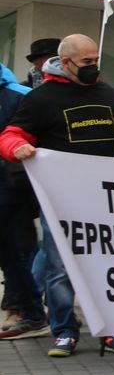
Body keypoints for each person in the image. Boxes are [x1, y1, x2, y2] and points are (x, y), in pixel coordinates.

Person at [0, 34, 114, 357]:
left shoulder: (108, 94)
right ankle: (64, 332)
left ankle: (111, 330)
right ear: (66, 63)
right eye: (87, 62)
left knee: (108, 267)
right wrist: (16, 148)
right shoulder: (41, 99)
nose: (94, 67)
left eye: (96, 61)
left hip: (104, 201)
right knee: (60, 268)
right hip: (59, 201)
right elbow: (11, 135)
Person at [0, 63, 47, 341]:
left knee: (18, 247)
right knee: (9, 251)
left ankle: (28, 309)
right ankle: (27, 308)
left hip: (13, 184)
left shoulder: (19, 94)